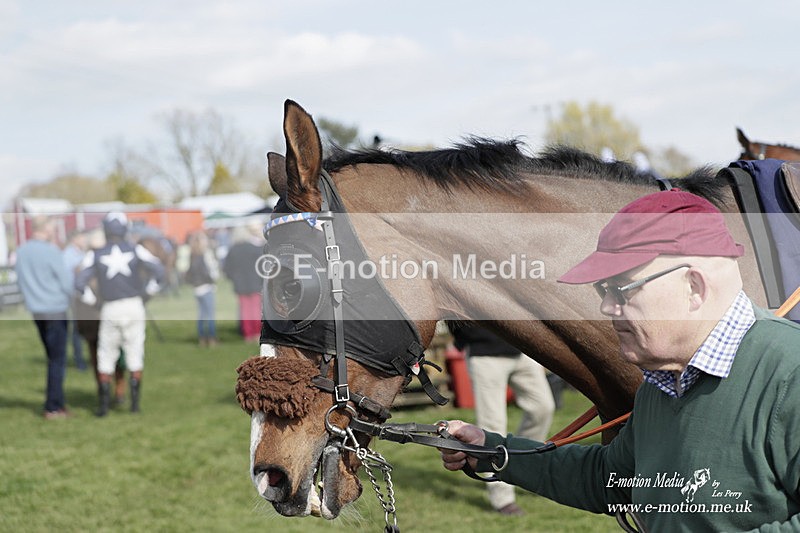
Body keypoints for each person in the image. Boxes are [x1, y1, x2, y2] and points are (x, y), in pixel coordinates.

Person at [440, 190, 800, 531]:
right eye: (604, 290)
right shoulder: (664, 382)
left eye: (622, 289)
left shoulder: (790, 372)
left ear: (694, 287)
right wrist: (491, 450)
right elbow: (610, 477)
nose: (607, 307)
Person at [449, 323, 555, 516]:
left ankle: (522, 463)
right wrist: (469, 338)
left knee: (543, 408)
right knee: (492, 429)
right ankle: (502, 498)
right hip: (484, 354)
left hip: (521, 350)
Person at [75, 212, 164, 416]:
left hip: (110, 307)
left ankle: (104, 407)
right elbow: (158, 270)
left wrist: (94, 301)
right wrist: (148, 293)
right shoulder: (135, 249)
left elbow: (79, 284)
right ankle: (134, 406)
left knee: (106, 354)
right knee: (134, 351)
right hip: (134, 305)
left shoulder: (96, 254)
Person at [15, 216, 74, 419]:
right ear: (46, 230)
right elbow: (66, 282)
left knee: (51, 357)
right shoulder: (51, 251)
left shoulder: (21, 252)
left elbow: (21, 281)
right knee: (57, 359)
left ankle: (55, 402)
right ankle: (54, 406)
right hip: (55, 310)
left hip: (36, 310)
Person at [223, 222, 264, 343]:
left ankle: (248, 334)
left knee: (245, 310)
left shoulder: (232, 250)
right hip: (255, 282)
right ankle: (257, 333)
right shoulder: (255, 249)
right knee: (256, 309)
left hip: (240, 284)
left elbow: (227, 268)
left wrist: (234, 278)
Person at [185, 231, 219, 347]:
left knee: (201, 315)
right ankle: (212, 339)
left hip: (197, 289)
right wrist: (212, 281)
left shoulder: (192, 255)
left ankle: (201, 338)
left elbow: (188, 273)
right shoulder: (204, 255)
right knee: (210, 315)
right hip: (206, 287)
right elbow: (208, 272)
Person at [62, 230, 88, 371]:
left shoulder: (81, 253)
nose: (85, 240)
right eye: (82, 238)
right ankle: (79, 361)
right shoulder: (68, 255)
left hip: (85, 295)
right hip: (75, 296)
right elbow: (67, 279)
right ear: (75, 239)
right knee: (77, 329)